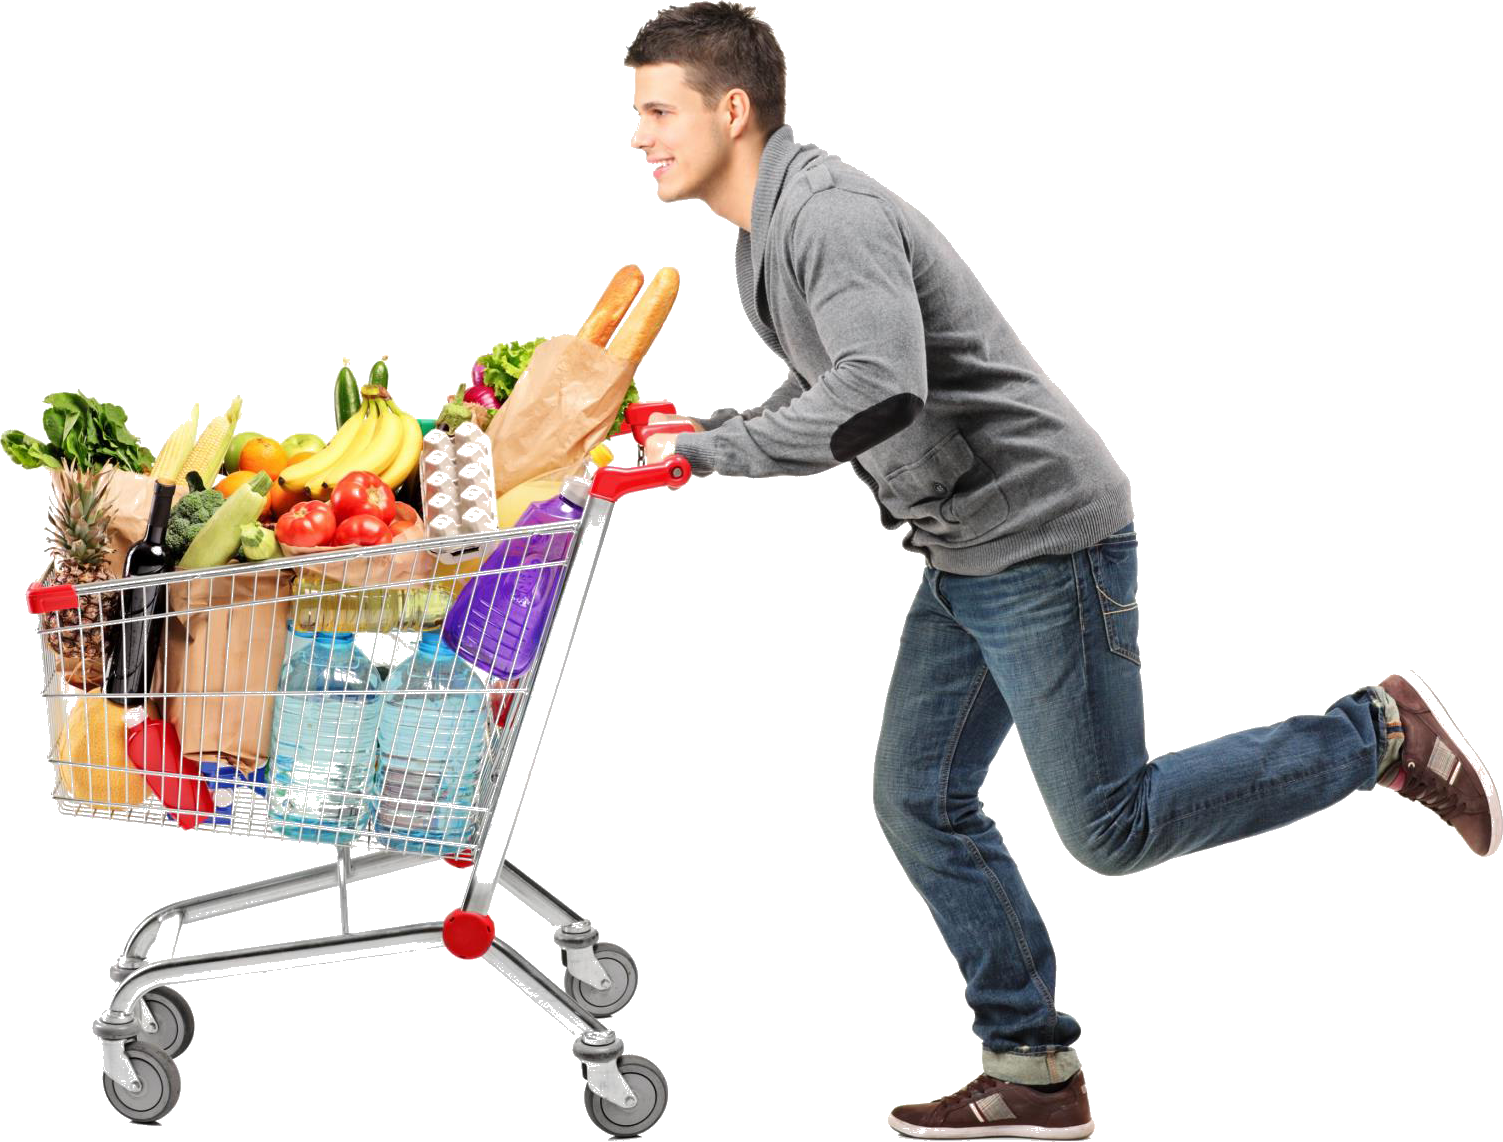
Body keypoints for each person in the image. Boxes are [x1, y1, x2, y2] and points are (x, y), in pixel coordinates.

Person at [623, 4, 1499, 1138]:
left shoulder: (826, 218)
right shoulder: (765, 238)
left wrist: (708, 454)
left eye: (657, 110)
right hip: (968, 545)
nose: (639, 137)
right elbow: (837, 380)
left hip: (1042, 535)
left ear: (731, 110)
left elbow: (879, 391)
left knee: (1112, 826)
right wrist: (716, 424)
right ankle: (1033, 1067)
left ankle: (1377, 732)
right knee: (918, 797)